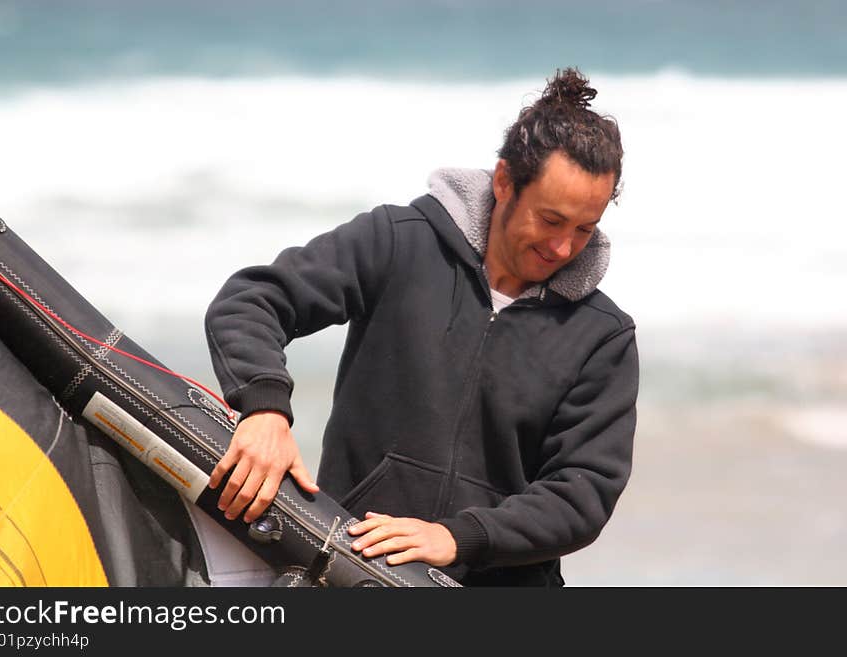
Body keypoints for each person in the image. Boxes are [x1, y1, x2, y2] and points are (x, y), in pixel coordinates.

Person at [204, 67, 639, 586]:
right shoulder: (400, 243)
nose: (563, 247)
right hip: (354, 572)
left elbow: (582, 492)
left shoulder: (601, 334)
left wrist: (459, 538)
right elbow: (253, 300)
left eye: (584, 229)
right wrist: (264, 410)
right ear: (504, 182)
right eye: (550, 220)